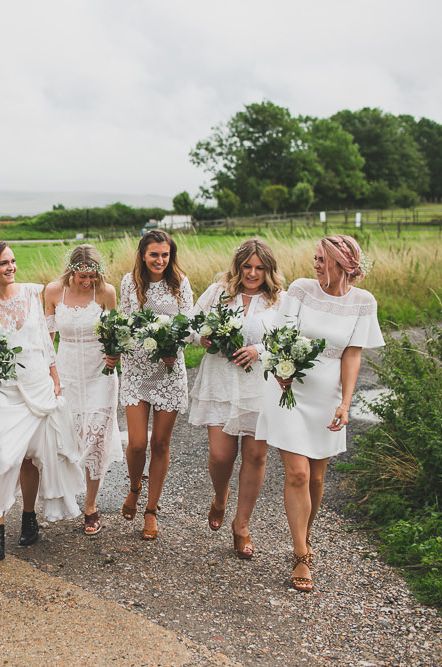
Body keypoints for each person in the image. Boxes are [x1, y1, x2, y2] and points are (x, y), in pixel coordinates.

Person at [256, 235, 384, 590]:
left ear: (343, 263)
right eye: (314, 257)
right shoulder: (300, 290)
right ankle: (300, 555)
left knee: (315, 478)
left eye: (322, 259)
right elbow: (279, 337)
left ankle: (305, 536)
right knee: (297, 474)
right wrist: (281, 372)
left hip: (327, 396)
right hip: (288, 390)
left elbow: (352, 354)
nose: (315, 264)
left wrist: (345, 402)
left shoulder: (363, 302)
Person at [189, 239, 284, 558]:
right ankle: (219, 497)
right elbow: (191, 325)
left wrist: (261, 350)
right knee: (220, 456)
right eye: (247, 266)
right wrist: (202, 336)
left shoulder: (279, 300)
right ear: (238, 266)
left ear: (269, 270)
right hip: (219, 381)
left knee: (256, 456)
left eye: (259, 268)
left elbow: (289, 340)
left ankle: (241, 525)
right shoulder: (218, 292)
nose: (253, 273)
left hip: (258, 386)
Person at [0, 242, 83, 560]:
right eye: (4, 263)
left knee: (29, 458)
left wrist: (55, 377)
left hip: (37, 385)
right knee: (5, 457)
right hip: (6, 391)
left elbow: (43, 341)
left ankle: (29, 517)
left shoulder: (31, 294)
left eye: (13, 261)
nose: (11, 267)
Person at [45, 245, 123, 536]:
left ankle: (90, 506)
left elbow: (117, 333)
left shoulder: (106, 293)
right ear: (71, 271)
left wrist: (115, 353)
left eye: (92, 276)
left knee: (96, 436)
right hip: (66, 372)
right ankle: (63, 496)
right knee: (66, 436)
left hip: (100, 373)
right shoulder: (53, 292)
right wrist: (46, 373)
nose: (87, 281)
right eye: (82, 276)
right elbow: (47, 338)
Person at [120, 230, 193, 540]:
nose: (160, 260)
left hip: (169, 372)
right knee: (137, 442)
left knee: (160, 444)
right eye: (154, 254)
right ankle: (135, 486)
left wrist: (171, 346)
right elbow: (124, 324)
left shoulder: (180, 282)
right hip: (136, 371)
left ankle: (151, 510)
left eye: (165, 254)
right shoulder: (129, 282)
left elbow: (189, 327)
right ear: (143, 255)